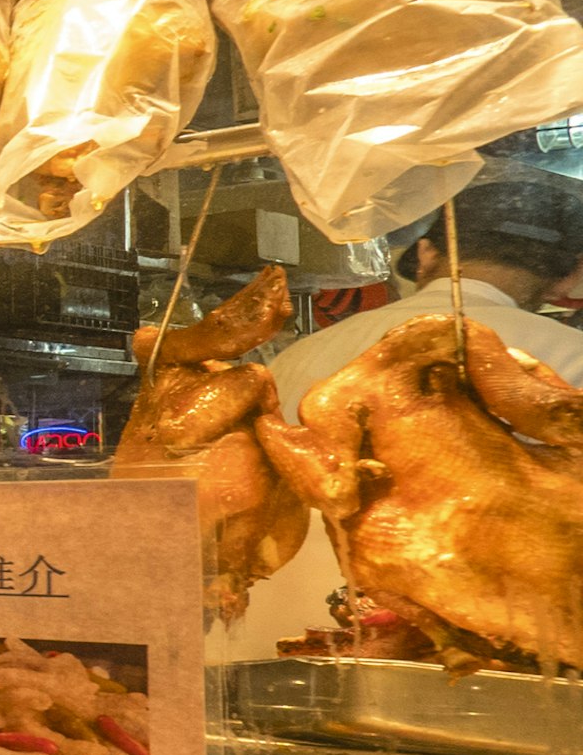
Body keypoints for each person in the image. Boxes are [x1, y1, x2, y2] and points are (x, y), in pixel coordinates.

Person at [216, 155, 583, 660]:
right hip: (476, 655)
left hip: (277, 642)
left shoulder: (299, 356)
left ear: (427, 253)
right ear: (564, 282)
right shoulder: (570, 355)